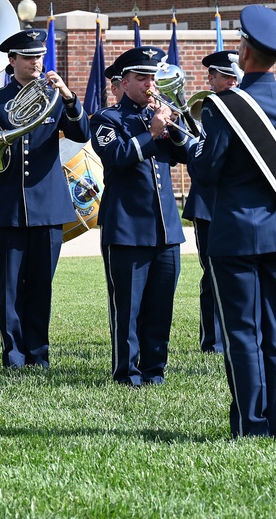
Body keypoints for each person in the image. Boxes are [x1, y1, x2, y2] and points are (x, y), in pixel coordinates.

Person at [187, 5, 276, 438]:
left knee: (242, 334)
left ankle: (250, 425)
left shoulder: (222, 106)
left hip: (235, 233)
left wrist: (189, 145)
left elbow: (208, 169)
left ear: (245, 52)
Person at [0, 29, 90, 369]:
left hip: (48, 206)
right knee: (9, 288)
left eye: (39, 56)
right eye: (28, 57)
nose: (36, 62)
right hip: (8, 206)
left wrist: (68, 97)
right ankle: (14, 354)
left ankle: (38, 352)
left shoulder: (54, 97)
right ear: (12, 61)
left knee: (40, 286)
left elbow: (81, 134)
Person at [90, 46, 190, 385]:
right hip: (127, 227)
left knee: (161, 307)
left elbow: (190, 153)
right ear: (124, 82)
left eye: (152, 77)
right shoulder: (108, 119)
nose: (150, 84)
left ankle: (154, 370)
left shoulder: (161, 114)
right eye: (142, 78)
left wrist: (178, 123)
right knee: (128, 308)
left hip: (166, 229)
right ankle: (127, 373)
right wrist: (152, 132)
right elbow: (117, 156)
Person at [181, 50, 239, 354]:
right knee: (213, 273)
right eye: (217, 77)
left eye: (228, 76)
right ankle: (213, 340)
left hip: (239, 201)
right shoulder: (207, 112)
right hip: (207, 204)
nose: (214, 82)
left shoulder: (246, 108)